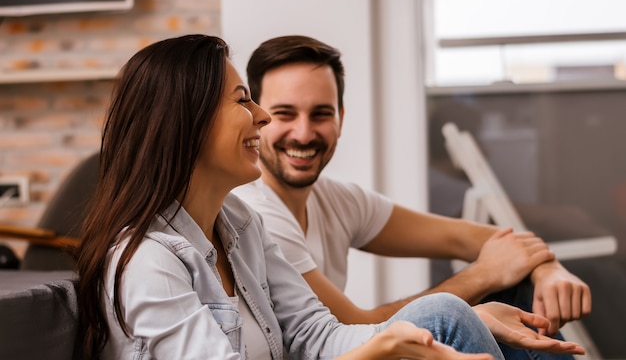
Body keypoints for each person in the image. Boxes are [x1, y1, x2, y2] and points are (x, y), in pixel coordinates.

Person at [74, 34, 519, 360]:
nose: (262, 116)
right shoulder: (148, 263)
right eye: (243, 101)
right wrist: (381, 347)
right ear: (189, 123)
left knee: (449, 315)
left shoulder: (242, 226)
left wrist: (442, 321)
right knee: (449, 318)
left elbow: (316, 333)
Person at [233, 35, 591, 359]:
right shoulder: (255, 212)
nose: (304, 132)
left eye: (321, 114)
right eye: (285, 114)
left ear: (341, 118)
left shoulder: (338, 200)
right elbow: (351, 331)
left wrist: (548, 269)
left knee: (516, 292)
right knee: (456, 312)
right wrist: (482, 277)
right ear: (258, 117)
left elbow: (475, 239)